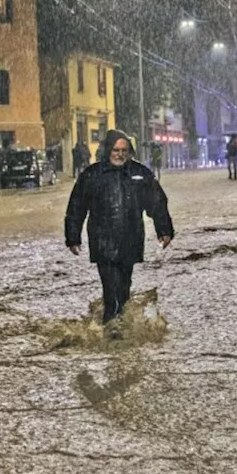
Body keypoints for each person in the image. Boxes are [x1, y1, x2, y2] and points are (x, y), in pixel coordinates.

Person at [65, 130, 175, 339]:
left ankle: (120, 326)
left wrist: (164, 230)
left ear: (129, 152)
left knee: (124, 288)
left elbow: (157, 203)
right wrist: (73, 236)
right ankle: (111, 331)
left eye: (124, 150)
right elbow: (77, 206)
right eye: (116, 150)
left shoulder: (140, 174)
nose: (119, 154)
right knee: (110, 288)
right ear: (108, 150)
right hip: (103, 242)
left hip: (130, 241)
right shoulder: (92, 175)